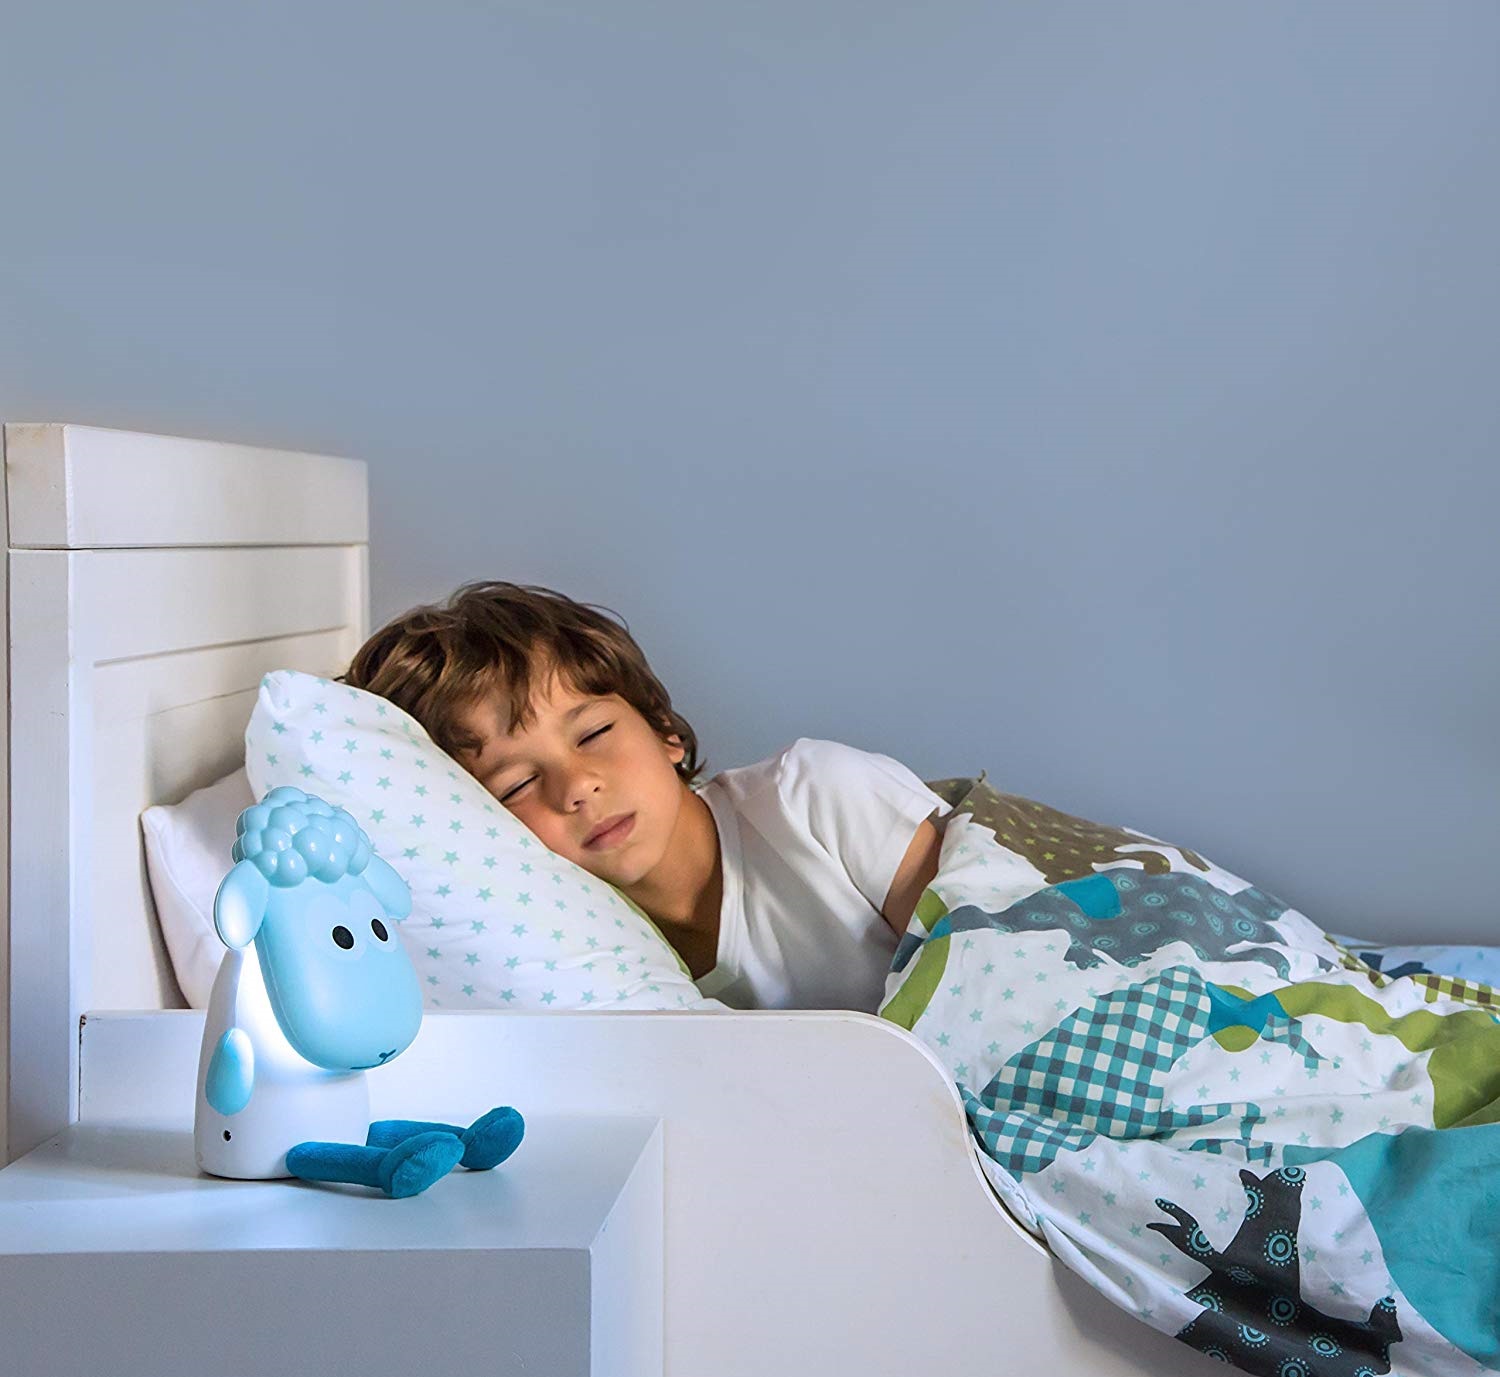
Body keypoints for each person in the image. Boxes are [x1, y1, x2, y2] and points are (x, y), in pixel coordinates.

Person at [340, 580, 951, 1012]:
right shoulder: (557, 962)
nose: (577, 787)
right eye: (517, 785)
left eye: (594, 734)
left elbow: (985, 959)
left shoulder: (815, 796)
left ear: (663, 729)